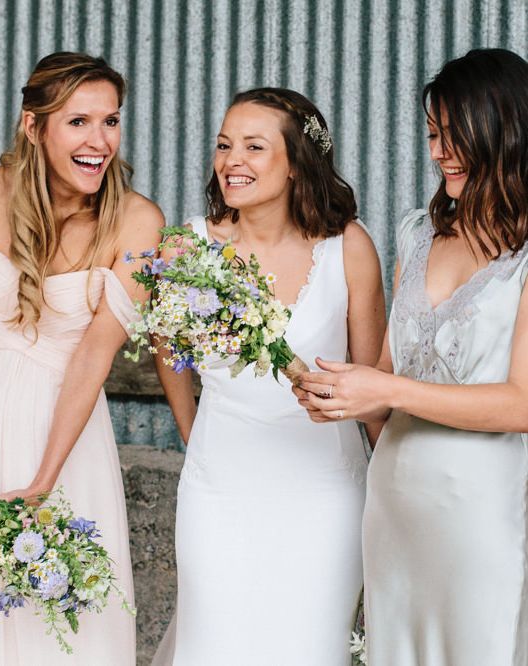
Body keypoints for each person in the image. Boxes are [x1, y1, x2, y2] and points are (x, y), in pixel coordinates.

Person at [0, 52, 163, 665]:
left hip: (68, 438)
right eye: (78, 122)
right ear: (33, 126)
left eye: (111, 121)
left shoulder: (138, 220)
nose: (99, 141)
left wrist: (42, 486)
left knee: (65, 629)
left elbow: (93, 358)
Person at [297, 49, 528, 664]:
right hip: (395, 497)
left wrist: (387, 393)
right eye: (433, 134)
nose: (438, 152)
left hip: (481, 504)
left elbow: (521, 404)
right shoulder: (417, 235)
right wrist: (341, 390)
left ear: (505, 130)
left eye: (455, 136)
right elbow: (390, 372)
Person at [153, 88, 385, 665]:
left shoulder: (347, 248)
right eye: (225, 144)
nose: (233, 160)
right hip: (219, 486)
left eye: (255, 147)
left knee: (309, 646)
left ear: (297, 160)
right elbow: (167, 349)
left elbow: (376, 387)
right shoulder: (189, 247)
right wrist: (195, 435)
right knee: (216, 642)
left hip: (323, 490)